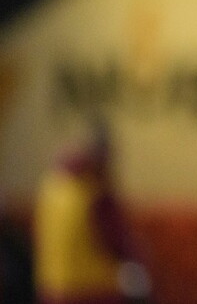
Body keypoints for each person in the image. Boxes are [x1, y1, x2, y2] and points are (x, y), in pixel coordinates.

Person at [33, 120, 151, 304]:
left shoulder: (51, 185)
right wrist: (139, 260)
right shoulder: (95, 191)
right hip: (94, 291)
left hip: (50, 290)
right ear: (102, 154)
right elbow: (118, 241)